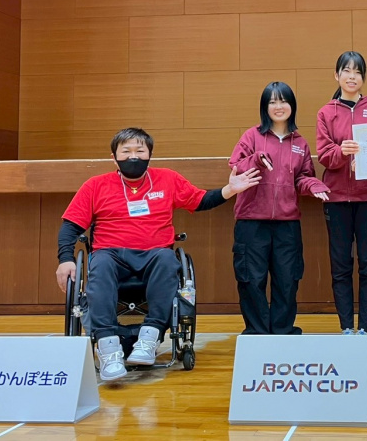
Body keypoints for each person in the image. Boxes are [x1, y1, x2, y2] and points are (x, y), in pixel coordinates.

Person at [55, 127, 261, 381]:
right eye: (126, 151)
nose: (133, 156)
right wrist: (65, 259)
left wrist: (229, 190)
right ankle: (108, 349)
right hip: (111, 255)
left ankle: (149, 338)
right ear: (114, 157)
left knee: (167, 259)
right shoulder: (95, 185)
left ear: (149, 155)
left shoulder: (167, 179)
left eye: (139, 151)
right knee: (101, 263)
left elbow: (199, 200)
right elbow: (70, 226)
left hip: (154, 255)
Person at [229, 81, 330, 335]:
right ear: (265, 107)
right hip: (251, 221)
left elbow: (303, 177)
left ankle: (282, 332)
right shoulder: (252, 136)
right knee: (251, 279)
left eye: (283, 101)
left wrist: (314, 184)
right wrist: (256, 160)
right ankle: (258, 332)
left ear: (292, 106)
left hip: (287, 223)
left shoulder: (300, 143)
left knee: (288, 279)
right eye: (272, 101)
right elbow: (236, 165)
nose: (278, 106)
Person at [316, 51, 367, 336]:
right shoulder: (326, 112)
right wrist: (341, 152)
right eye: (346, 71)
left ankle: (365, 328)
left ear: (363, 77)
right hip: (336, 200)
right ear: (337, 75)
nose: (351, 76)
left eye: (357, 72)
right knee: (341, 265)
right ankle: (346, 327)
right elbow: (324, 154)